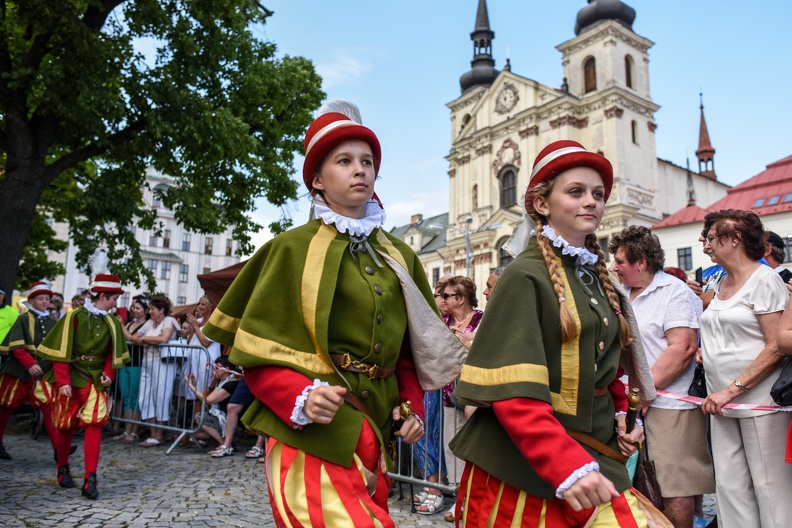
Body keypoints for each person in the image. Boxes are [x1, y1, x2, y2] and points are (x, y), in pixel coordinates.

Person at [202, 107, 462, 527]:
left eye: (367, 162)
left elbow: (407, 355)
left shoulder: (400, 255)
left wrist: (410, 409)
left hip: (374, 438)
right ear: (318, 180)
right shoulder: (289, 249)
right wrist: (300, 396)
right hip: (309, 438)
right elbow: (255, 355)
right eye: (344, 161)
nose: (360, 170)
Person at [450, 140, 656, 527]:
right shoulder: (524, 276)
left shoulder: (597, 277)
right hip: (526, 468)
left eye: (598, 194)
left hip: (595, 455)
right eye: (576, 192)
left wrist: (624, 418)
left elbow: (605, 367)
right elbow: (513, 392)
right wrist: (566, 464)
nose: (591, 201)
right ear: (542, 204)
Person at [609, 226, 715, 527]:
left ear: (641, 262)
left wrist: (643, 393)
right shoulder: (619, 293)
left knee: (673, 486)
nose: (614, 267)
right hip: (627, 402)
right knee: (637, 484)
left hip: (670, 406)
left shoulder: (674, 292)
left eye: (620, 261)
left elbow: (683, 348)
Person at [697, 210, 792, 527]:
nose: (706, 244)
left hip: (758, 401)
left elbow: (776, 345)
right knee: (730, 486)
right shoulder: (720, 280)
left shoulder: (764, 279)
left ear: (735, 238)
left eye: (712, 237)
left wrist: (733, 389)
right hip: (719, 401)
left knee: (770, 488)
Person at [36, 274, 129, 499]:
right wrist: (62, 381)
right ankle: (62, 468)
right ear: (103, 296)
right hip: (72, 377)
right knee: (66, 425)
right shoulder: (73, 316)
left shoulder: (112, 322)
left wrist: (108, 374)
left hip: (94, 380)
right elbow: (60, 351)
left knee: (94, 423)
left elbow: (112, 354)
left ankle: (90, 479)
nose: (116, 303)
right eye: (114, 298)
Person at [0, 282, 61, 461]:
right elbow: (17, 348)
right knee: (6, 406)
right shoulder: (23, 319)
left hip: (41, 373)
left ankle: (59, 449)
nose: (44, 302)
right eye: (40, 298)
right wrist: (29, 364)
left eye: (47, 299)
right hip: (19, 371)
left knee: (49, 407)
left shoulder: (53, 323)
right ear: (32, 300)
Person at [131, 296, 180, 447]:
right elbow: (134, 337)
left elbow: (164, 338)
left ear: (161, 310)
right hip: (147, 363)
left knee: (161, 397)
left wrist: (145, 339)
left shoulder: (169, 321)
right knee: (144, 397)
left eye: (152, 309)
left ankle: (159, 435)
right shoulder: (149, 323)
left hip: (163, 364)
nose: (149, 311)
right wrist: (147, 340)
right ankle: (152, 433)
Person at [184, 355, 241, 448]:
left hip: (229, 422)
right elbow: (207, 398)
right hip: (220, 417)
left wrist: (190, 386)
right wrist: (194, 386)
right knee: (194, 432)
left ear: (226, 369)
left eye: (217, 367)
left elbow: (208, 400)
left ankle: (223, 443)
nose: (214, 369)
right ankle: (222, 441)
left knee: (200, 417)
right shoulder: (221, 381)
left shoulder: (231, 383)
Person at [115, 296, 149, 444]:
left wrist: (121, 326)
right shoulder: (129, 323)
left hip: (137, 363)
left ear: (145, 311)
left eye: (138, 308)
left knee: (135, 399)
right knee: (126, 398)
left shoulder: (146, 325)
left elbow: (131, 338)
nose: (134, 310)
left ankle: (134, 431)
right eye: (133, 307)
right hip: (125, 363)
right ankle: (127, 430)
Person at [181, 296, 221, 406]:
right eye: (199, 303)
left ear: (211, 307)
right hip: (194, 363)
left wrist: (195, 326)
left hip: (207, 364)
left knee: (204, 393)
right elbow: (190, 341)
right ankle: (196, 416)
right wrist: (193, 328)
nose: (199, 306)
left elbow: (206, 343)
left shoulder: (214, 323)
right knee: (194, 394)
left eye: (203, 304)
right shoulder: (197, 321)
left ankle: (205, 416)